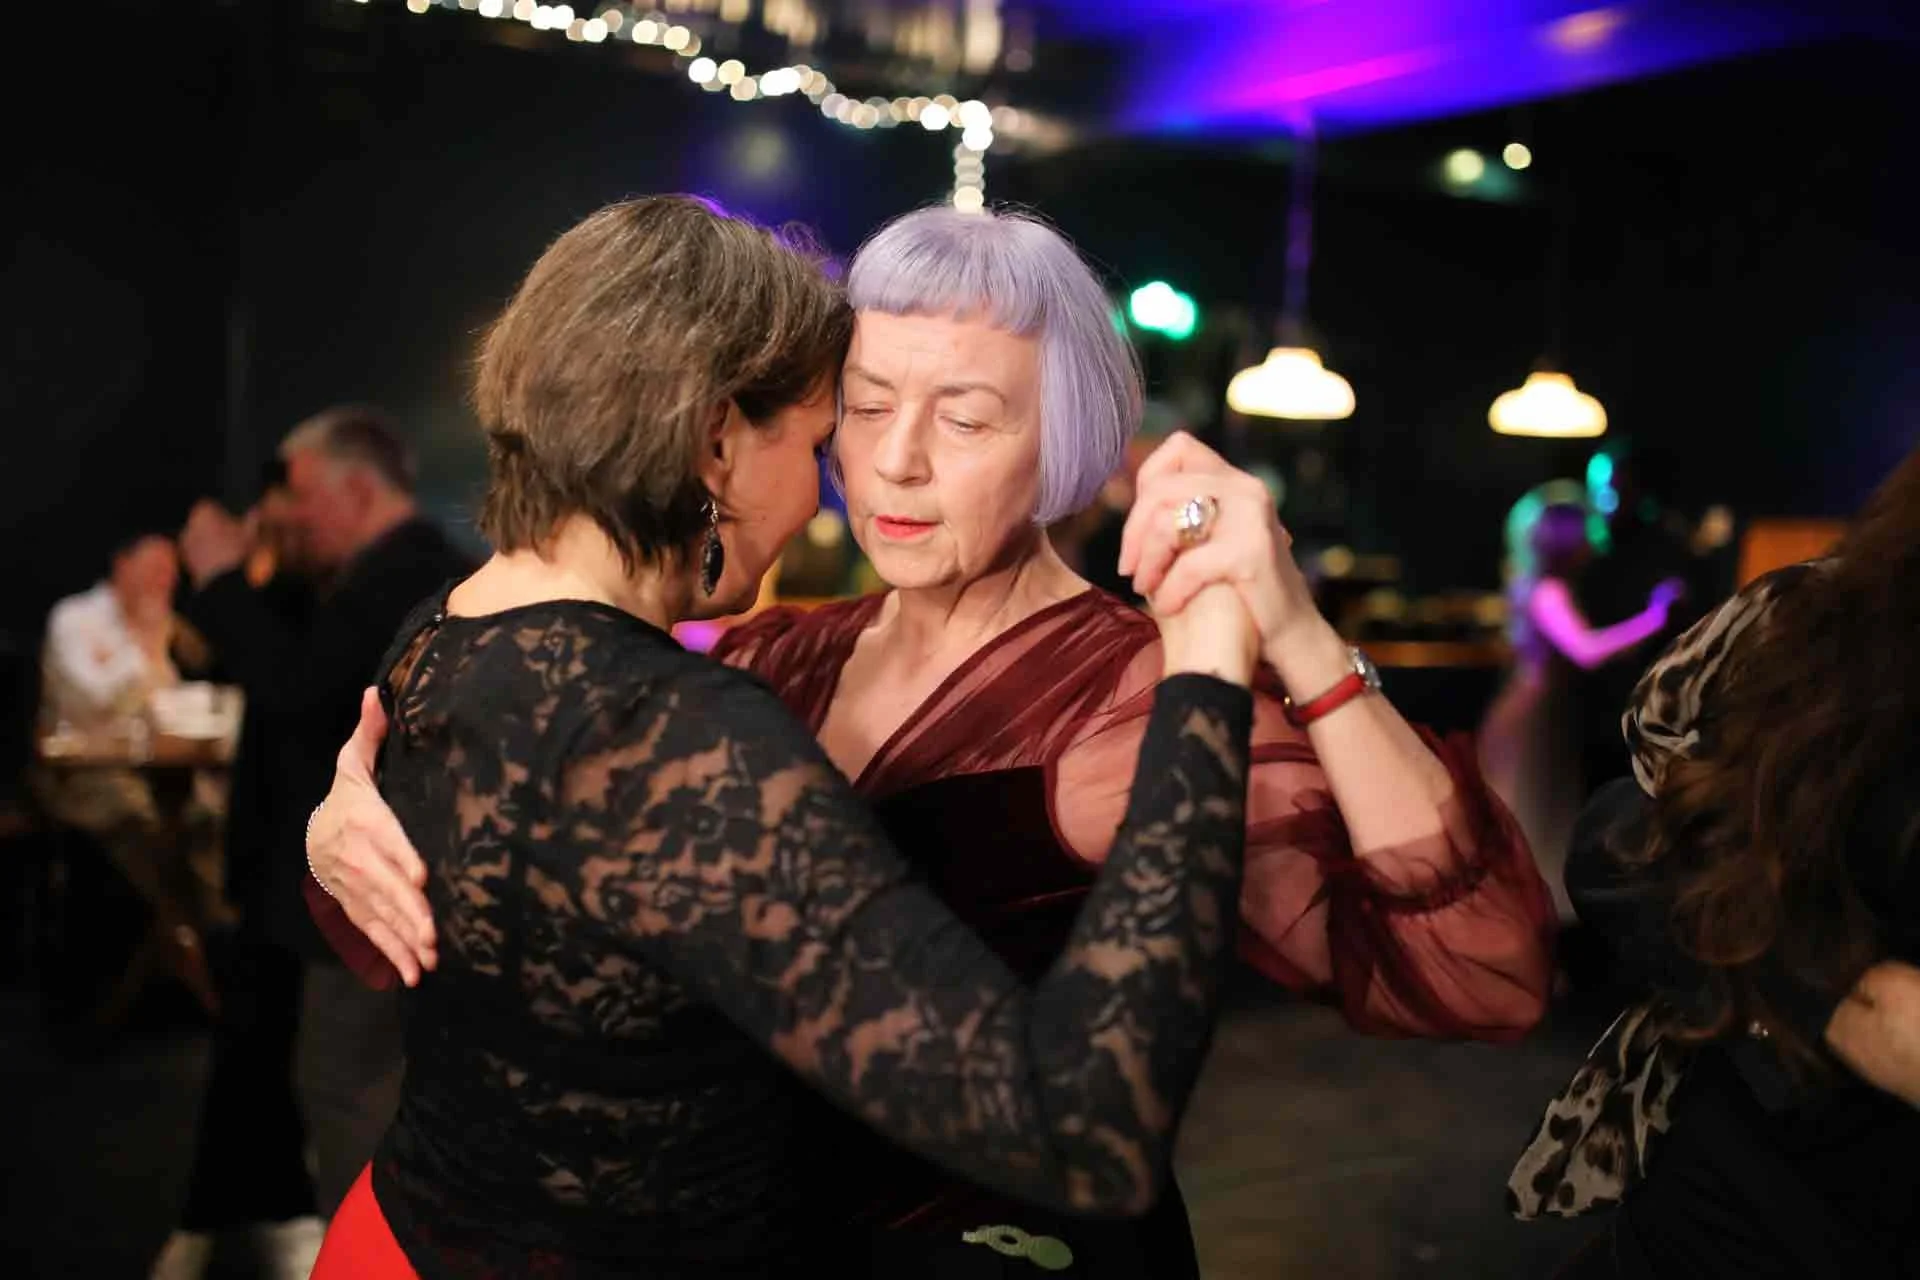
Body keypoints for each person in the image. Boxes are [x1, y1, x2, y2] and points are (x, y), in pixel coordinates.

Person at [307, 204, 1556, 1276]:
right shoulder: (773, 653)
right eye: (862, 406)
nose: (893, 464)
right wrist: (353, 801)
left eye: (963, 419)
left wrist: (1286, 629)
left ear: (1054, 445)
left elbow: (1480, 965)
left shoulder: (1130, 690)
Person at [1511, 441, 1920, 1277]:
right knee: (1536, 853)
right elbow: (1626, 837)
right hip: (1746, 1213)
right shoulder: (1840, 629)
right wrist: (1834, 995)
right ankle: (1543, 979)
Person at [173, 404, 473, 1251]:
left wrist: (225, 576)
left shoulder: (402, 577)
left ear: (355, 485)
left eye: (297, 492)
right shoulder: (365, 575)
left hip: (362, 900)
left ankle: (366, 1257)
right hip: (335, 893)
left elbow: (299, 692)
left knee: (352, 1094)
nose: (283, 510)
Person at [149, 464, 323, 1280]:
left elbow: (293, 685)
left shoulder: (351, 585)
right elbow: (217, 657)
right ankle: (230, 1213)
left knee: (282, 1043)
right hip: (270, 857)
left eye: (279, 503)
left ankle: (262, 1211)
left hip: (315, 853)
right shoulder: (286, 584)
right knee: (253, 1036)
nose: (266, 520)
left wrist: (224, 573)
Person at [1477, 501, 1681, 921]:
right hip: (1535, 714)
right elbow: (1585, 650)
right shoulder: (1549, 590)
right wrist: (1653, 618)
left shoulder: (1537, 583)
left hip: (1538, 708)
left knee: (1534, 811)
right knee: (1531, 812)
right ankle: (1528, 917)